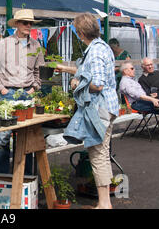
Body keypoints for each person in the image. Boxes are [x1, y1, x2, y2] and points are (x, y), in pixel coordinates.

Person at [55, 13, 119, 209]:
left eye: (77, 31)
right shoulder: (101, 47)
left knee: (98, 154)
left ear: (81, 33)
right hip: (108, 106)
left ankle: (104, 205)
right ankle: (104, 202)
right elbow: (90, 72)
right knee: (102, 152)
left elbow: (97, 84)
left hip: (100, 107)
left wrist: (77, 83)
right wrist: (65, 69)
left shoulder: (95, 52)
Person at [0, 9, 44, 175]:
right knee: (1, 141)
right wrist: (2, 90)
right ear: (17, 24)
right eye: (25, 22)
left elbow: (39, 71)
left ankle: (26, 181)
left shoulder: (36, 45)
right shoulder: (4, 44)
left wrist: (34, 88)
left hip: (27, 94)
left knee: (27, 142)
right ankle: (2, 181)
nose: (29, 25)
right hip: (7, 94)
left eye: (31, 23)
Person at [119, 61, 159, 145]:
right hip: (137, 104)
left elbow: (143, 93)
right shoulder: (125, 82)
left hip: (145, 100)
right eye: (132, 68)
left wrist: (153, 96)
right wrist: (152, 100)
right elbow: (138, 95)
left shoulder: (131, 80)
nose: (134, 70)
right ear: (125, 71)